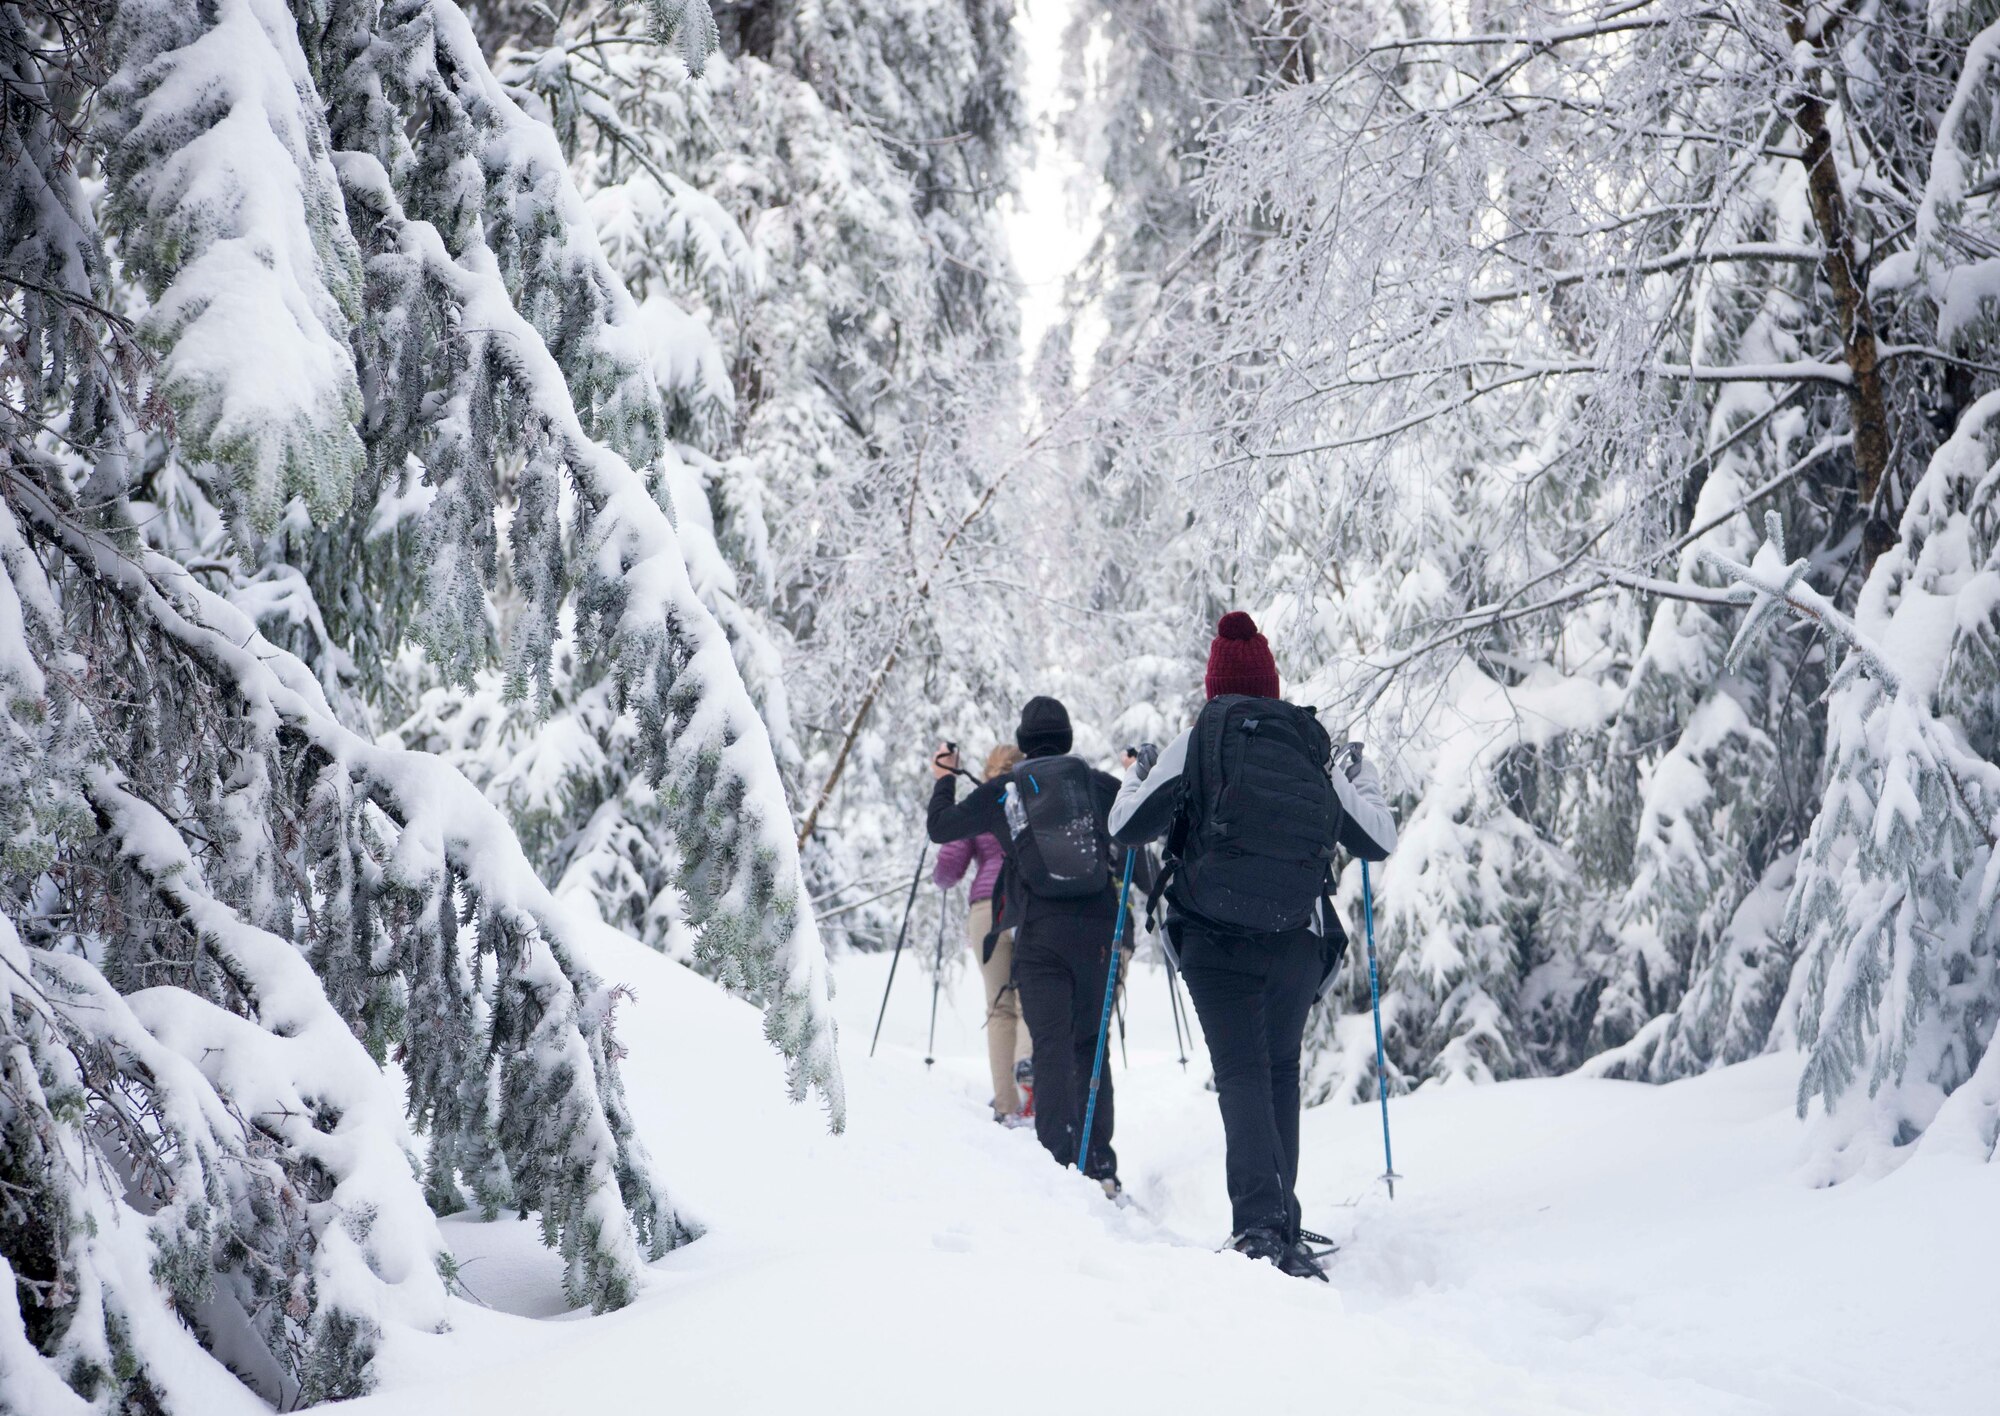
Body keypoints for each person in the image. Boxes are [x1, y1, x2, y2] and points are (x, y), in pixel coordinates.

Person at [1110, 612, 1396, 1279]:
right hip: (1294, 936)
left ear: (1213, 686)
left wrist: (1139, 773)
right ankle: (1281, 1220)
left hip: (1213, 934)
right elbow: (1376, 839)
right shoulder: (1307, 745)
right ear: (1271, 684)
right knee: (1279, 1073)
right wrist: (1363, 772)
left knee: (1240, 1074)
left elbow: (1127, 826)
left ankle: (1260, 1229)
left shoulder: (1199, 738)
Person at [928, 697, 1125, 1192]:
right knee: (1090, 1044)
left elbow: (941, 829)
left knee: (1052, 1047)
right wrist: (1136, 776)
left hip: (1041, 934)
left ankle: (1060, 1167)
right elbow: (1144, 825)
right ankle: (1100, 1163)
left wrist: (944, 778)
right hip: (1098, 931)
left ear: (1023, 741)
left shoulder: (1006, 791)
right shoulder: (1096, 784)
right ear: (1068, 738)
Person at [934, 743, 1035, 1126]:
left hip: (986, 911)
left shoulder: (981, 803)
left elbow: (949, 871)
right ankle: (1027, 1081)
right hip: (1027, 907)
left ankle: (1006, 1104)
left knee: (998, 1006)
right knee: (1030, 999)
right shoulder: (1032, 796)